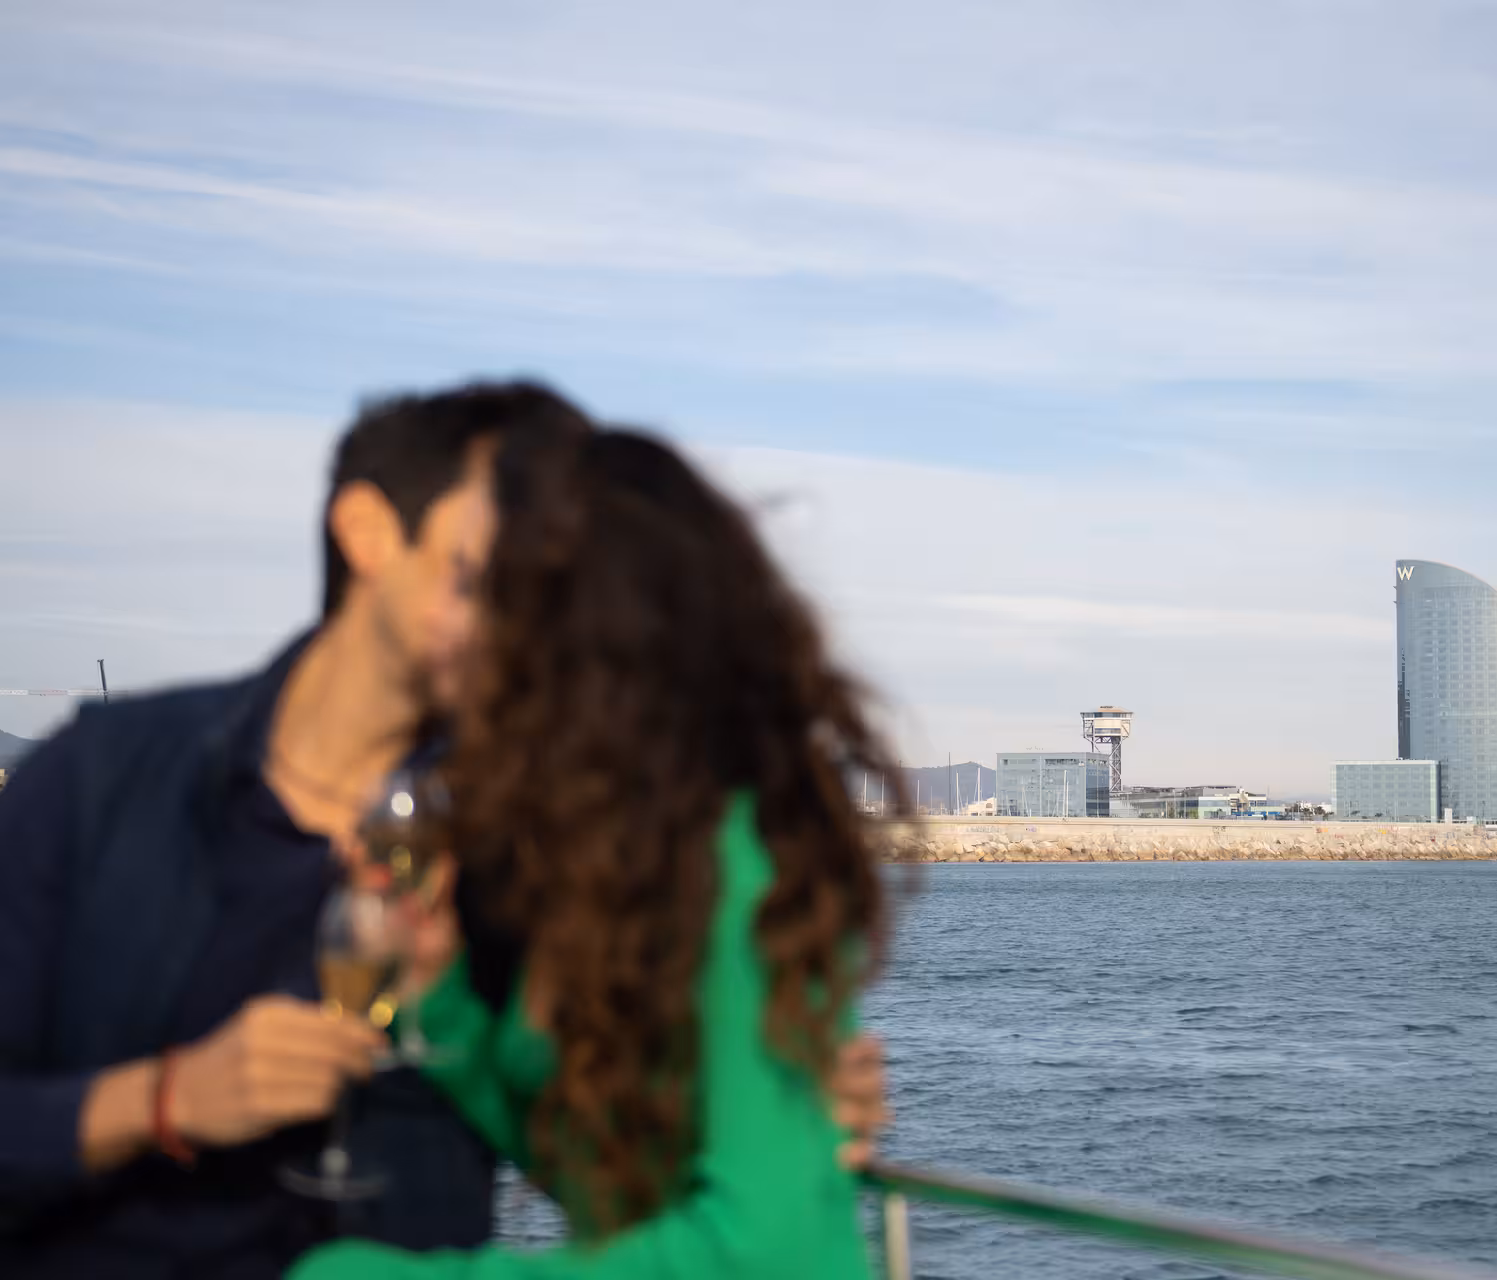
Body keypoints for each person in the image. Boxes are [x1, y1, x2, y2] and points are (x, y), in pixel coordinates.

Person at [0, 383, 890, 1277]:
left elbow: (647, 1176)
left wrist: (763, 1110)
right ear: (369, 533)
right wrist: (161, 1101)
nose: (517, 596)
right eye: (489, 557)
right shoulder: (99, 780)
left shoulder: (551, 831)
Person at [290, 427, 908, 1279]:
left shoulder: (735, 852)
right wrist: (442, 998)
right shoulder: (617, 852)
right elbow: (599, 1176)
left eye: (482, 586)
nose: (453, 620)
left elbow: (769, 1249)